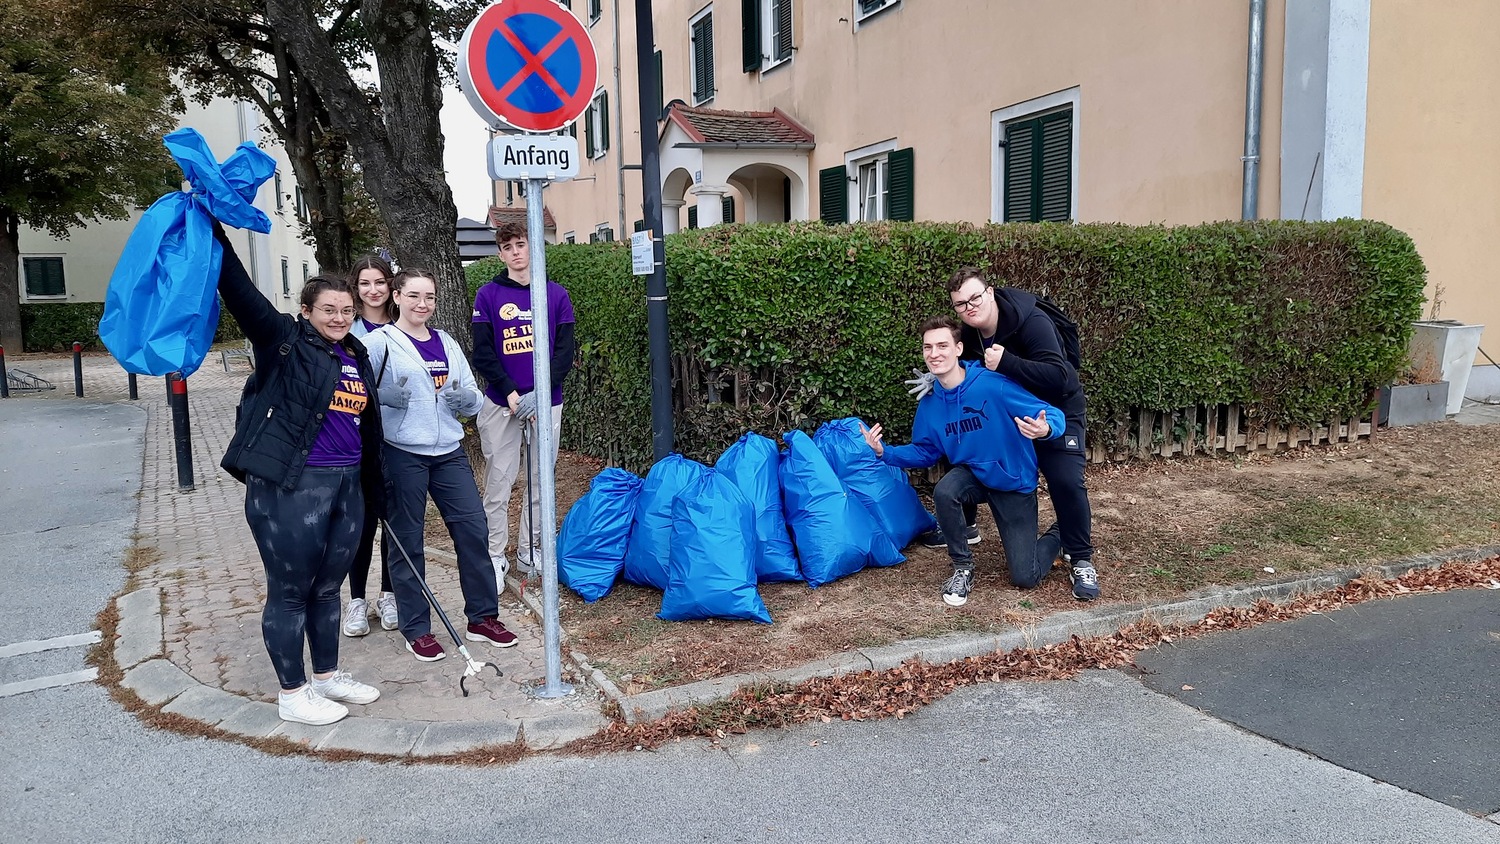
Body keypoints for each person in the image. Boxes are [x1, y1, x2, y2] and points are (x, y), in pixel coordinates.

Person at [214, 225, 383, 727]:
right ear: (306, 311)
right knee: (291, 591)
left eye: (347, 310)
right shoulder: (282, 341)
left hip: (346, 484)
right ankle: (292, 692)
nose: (339, 317)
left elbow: (366, 426)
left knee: (328, 588)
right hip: (291, 486)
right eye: (328, 309)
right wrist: (213, 228)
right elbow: (238, 289)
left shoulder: (355, 353)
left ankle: (326, 678)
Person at [364, 269, 519, 662]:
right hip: (402, 451)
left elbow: (472, 393)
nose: (423, 304)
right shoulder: (379, 342)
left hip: (448, 450)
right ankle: (416, 628)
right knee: (407, 540)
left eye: (430, 297)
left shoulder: (446, 342)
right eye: (414, 296)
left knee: (473, 530)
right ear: (396, 297)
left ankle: (482, 618)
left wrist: (465, 401)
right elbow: (356, 390)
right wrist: (384, 397)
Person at [866, 315, 1063, 607]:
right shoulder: (930, 403)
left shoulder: (992, 385)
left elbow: (1052, 414)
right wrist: (886, 453)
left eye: (942, 345)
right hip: (974, 476)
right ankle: (962, 568)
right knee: (945, 490)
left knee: (1026, 576)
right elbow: (926, 451)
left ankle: (1061, 531)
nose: (934, 354)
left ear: (958, 349)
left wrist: (1045, 429)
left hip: (1012, 481)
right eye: (928, 347)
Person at [930, 266, 1099, 602]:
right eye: (961, 304)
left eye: (975, 298)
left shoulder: (1031, 322)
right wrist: (935, 381)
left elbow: (1061, 376)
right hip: (1012, 415)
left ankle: (1080, 556)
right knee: (965, 447)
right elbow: (965, 374)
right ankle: (966, 526)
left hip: (1055, 410)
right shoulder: (971, 335)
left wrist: (1007, 362)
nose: (970, 307)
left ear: (990, 293)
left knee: (1065, 479)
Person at [471, 222, 576, 584]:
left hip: (546, 402)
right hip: (502, 403)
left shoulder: (555, 294)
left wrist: (540, 394)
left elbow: (564, 353)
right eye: (508, 247)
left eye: (521, 244)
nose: (516, 252)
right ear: (500, 254)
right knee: (499, 482)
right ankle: (494, 555)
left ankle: (530, 550)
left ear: (533, 247)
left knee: (539, 480)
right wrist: (512, 393)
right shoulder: (488, 295)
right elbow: (483, 352)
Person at [343, 255, 399, 636]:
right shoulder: (347, 327)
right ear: (355, 287)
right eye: (365, 283)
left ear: (390, 285)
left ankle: (389, 595)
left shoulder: (403, 323)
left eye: (379, 282)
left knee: (393, 521)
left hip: (399, 438)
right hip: (358, 439)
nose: (373, 290)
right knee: (362, 524)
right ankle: (357, 600)